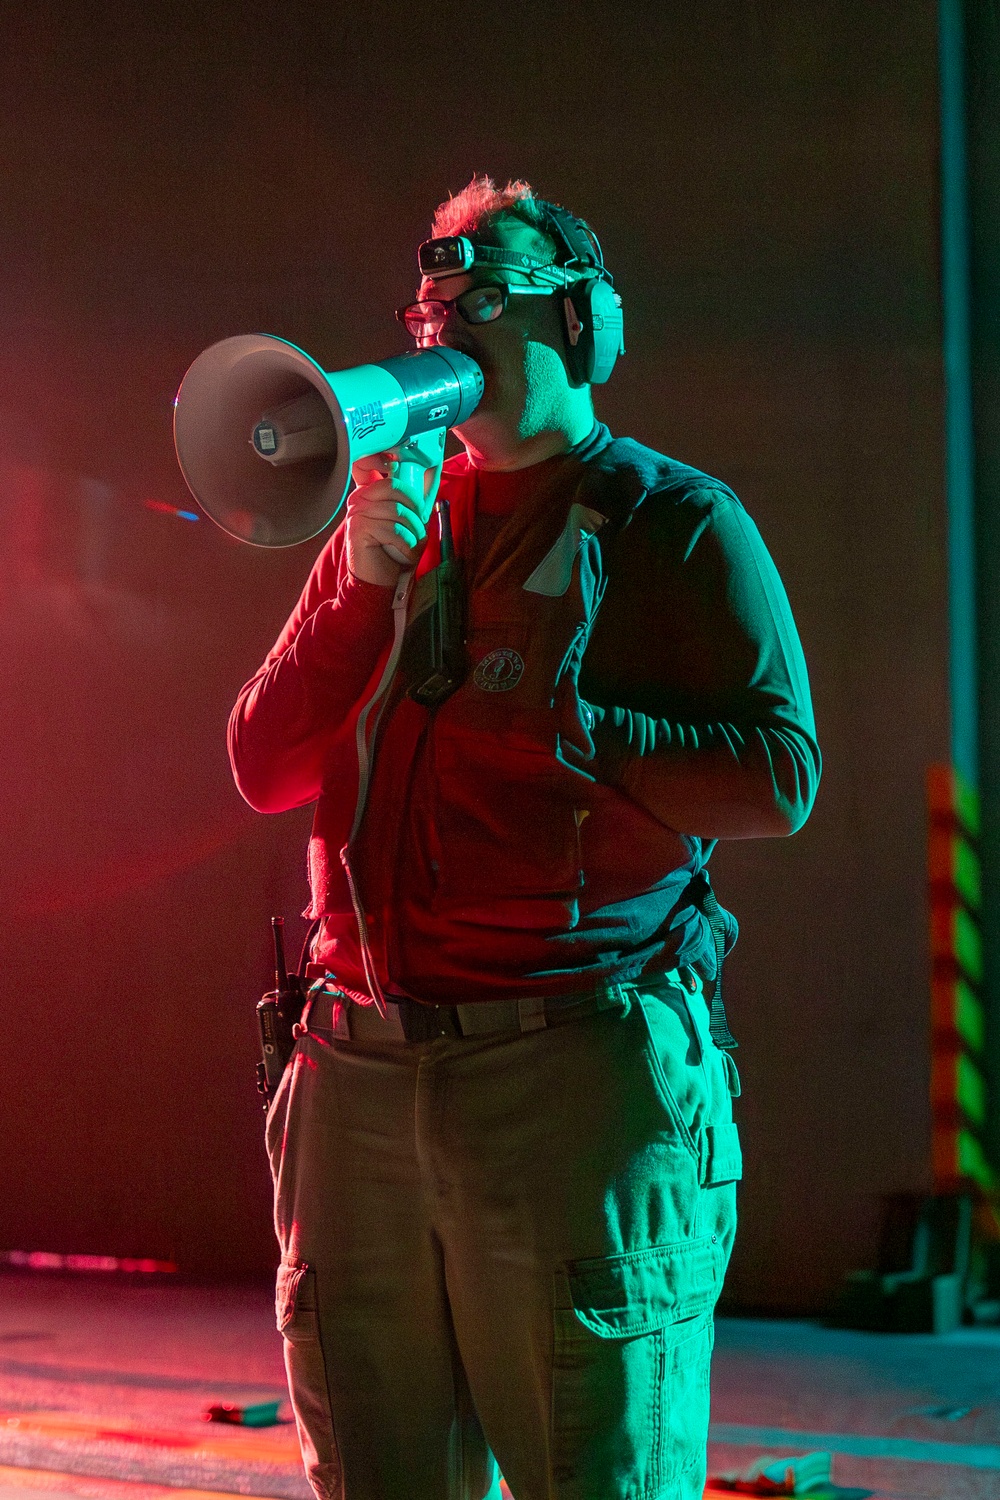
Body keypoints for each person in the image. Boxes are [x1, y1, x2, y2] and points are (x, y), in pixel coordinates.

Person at [228, 175, 821, 1500]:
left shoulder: (675, 525)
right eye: (429, 302)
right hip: (358, 1076)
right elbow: (264, 765)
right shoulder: (385, 525)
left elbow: (780, 777)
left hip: (570, 1081)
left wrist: (577, 725)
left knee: (587, 1463)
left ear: (581, 327)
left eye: (480, 298)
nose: (441, 326)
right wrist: (358, 596)